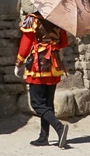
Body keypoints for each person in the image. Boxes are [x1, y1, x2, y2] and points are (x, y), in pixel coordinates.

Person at [14, 11, 69, 148]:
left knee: (37, 103)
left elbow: (26, 42)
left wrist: (19, 62)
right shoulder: (58, 18)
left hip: (38, 65)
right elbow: (64, 42)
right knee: (48, 104)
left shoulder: (32, 19)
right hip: (53, 66)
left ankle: (59, 128)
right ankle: (43, 137)